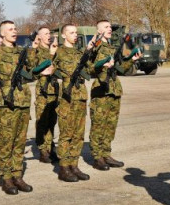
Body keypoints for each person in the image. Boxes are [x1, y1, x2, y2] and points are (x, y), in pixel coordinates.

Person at [0, 21, 37, 195]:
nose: (14, 31)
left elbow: (33, 70)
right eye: (10, 29)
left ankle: (18, 175)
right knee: (6, 142)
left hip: (23, 101)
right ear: (2, 34)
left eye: (15, 29)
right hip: (6, 103)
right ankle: (6, 177)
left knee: (20, 142)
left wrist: (36, 49)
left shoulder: (23, 51)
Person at [87, 21, 140, 170]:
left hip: (114, 89)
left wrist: (131, 60)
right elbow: (89, 68)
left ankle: (106, 154)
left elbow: (120, 69)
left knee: (110, 125)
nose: (110, 29)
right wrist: (100, 64)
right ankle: (97, 157)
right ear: (98, 31)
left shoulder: (112, 48)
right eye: (106, 27)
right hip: (101, 90)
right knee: (98, 124)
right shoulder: (95, 48)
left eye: (110, 27)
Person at [53, 24, 97, 182]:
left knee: (78, 134)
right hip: (67, 97)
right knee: (66, 134)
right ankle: (64, 167)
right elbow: (47, 67)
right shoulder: (58, 51)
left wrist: (91, 52)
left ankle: (74, 165)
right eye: (71, 33)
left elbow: (90, 69)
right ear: (63, 35)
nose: (75, 35)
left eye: (76, 33)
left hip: (81, 96)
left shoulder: (80, 52)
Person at [32, 27, 60, 163]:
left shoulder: (53, 50)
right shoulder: (37, 51)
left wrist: (55, 53)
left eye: (50, 33)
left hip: (54, 89)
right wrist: (51, 54)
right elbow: (39, 67)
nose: (49, 36)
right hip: (43, 90)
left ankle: (50, 147)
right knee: (42, 121)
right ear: (39, 37)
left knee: (52, 121)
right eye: (46, 34)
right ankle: (43, 149)